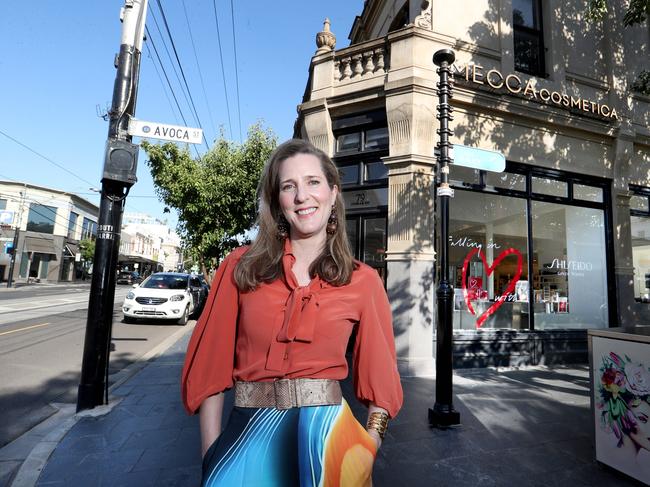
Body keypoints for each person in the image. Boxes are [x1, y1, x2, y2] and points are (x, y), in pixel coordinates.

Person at [181, 139, 403, 486]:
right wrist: (211, 457)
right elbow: (210, 367)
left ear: (332, 193)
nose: (302, 196)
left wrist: (368, 447)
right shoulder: (240, 267)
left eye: (313, 182)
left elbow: (382, 384)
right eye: (289, 186)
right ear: (278, 200)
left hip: (330, 444)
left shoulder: (364, 280)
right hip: (247, 438)